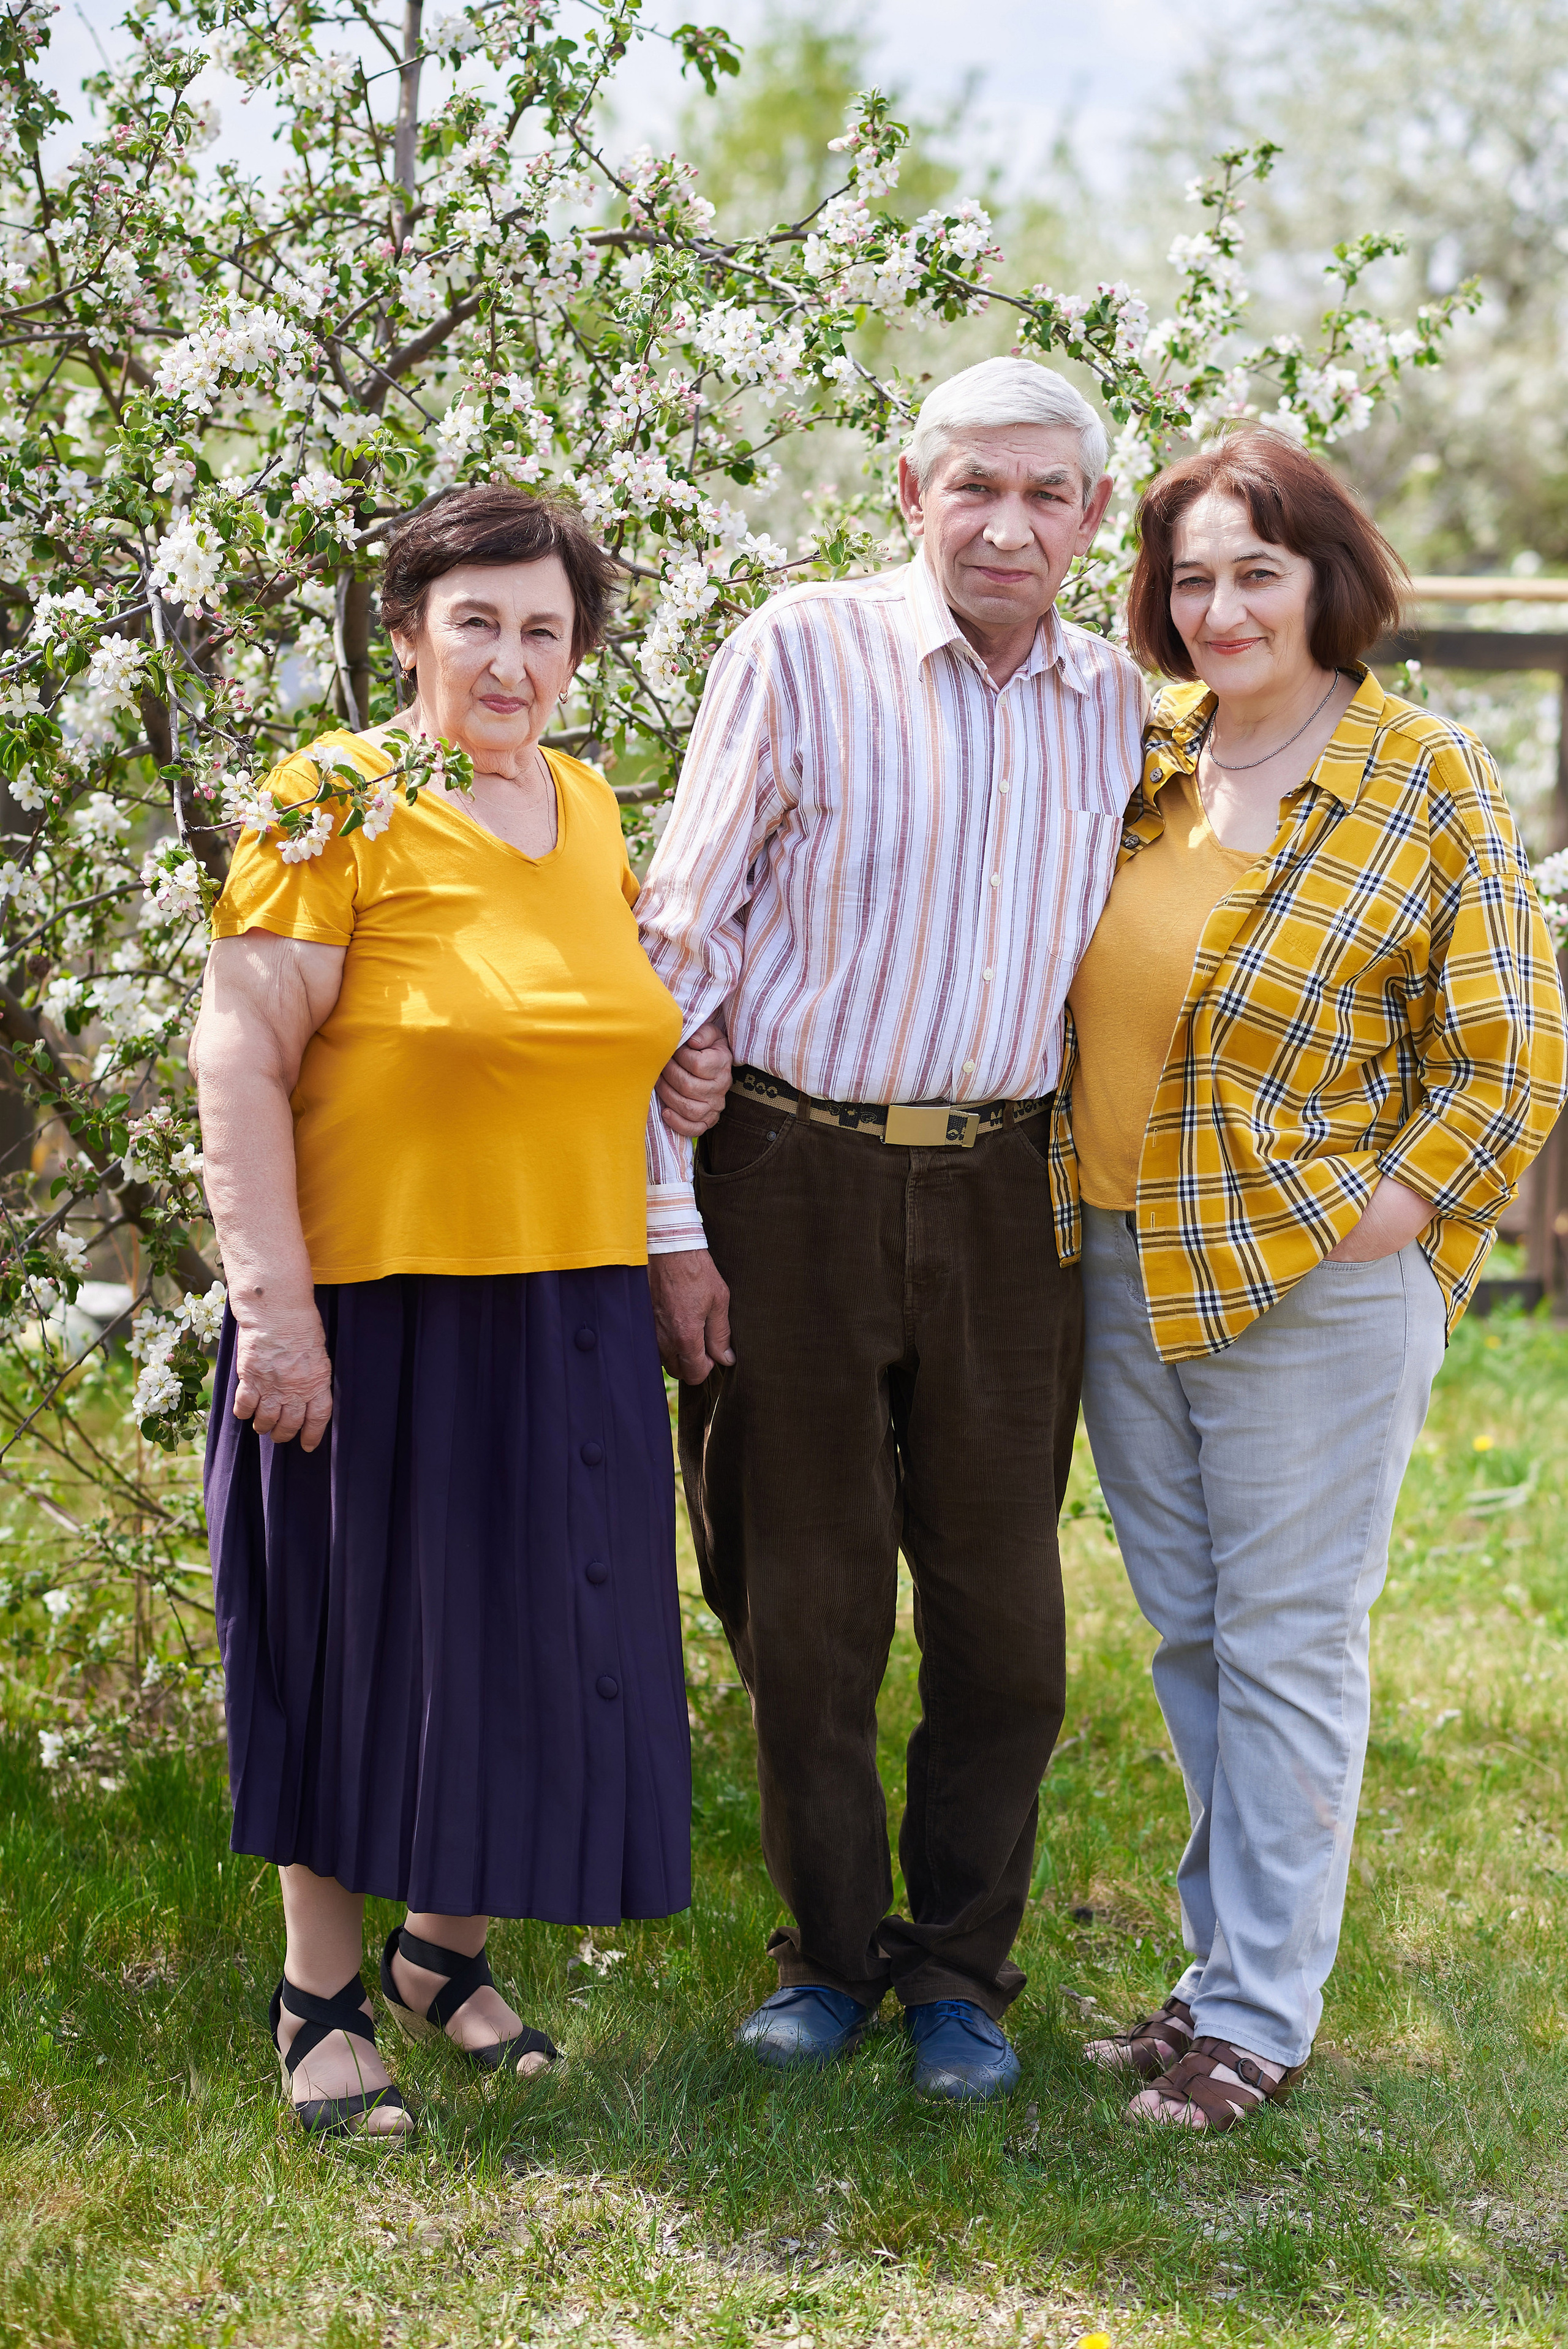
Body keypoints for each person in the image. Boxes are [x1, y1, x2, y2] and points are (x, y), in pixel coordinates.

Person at [635, 357, 1145, 2100]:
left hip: (1015, 1190)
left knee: (1006, 1614)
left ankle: (961, 1971)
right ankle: (830, 1959)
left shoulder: (1119, 704)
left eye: (1048, 494)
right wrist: (664, 1224)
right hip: (789, 1170)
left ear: (1092, 518)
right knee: (807, 1596)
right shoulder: (798, 653)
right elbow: (678, 949)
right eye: (975, 487)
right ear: (909, 490)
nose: (1009, 523)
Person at [1054, 430, 1567, 2129]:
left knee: (1286, 1640)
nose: (1220, 607)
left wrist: (1394, 1209)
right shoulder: (1144, 759)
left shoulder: (1424, 773)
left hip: (1317, 1284)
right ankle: (1215, 1977)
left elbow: (1512, 1052)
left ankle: (1261, 2015)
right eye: (1191, 575)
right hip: (1125, 1259)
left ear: (1324, 577)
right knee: (1194, 1637)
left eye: (1254, 571)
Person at [194, 486, 717, 2137]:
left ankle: (443, 1952)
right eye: (474, 620)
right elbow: (239, 1054)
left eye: (543, 627)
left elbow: (599, 1033)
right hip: (375, 1299)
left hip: (565, 1301)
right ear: (407, 632)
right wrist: (273, 1309)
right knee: (357, 1646)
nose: (508, 656)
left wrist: (672, 1064)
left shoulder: (583, 802)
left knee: (536, 1647)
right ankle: (319, 1992)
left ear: (578, 655)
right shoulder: (330, 801)